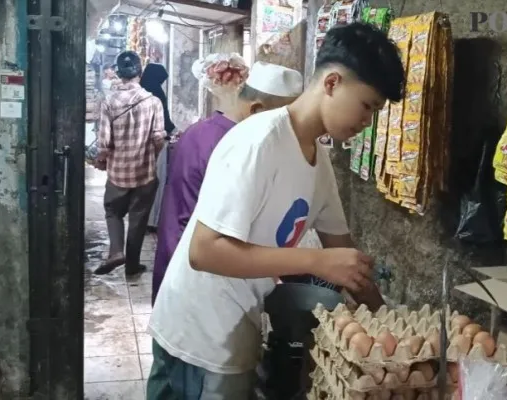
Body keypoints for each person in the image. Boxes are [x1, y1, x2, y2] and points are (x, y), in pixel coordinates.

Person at [148, 22, 405, 399]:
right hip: (199, 334)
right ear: (332, 83)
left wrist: (393, 328)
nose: (367, 122)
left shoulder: (319, 165)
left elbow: (348, 262)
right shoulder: (259, 141)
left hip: (234, 324)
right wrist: (317, 262)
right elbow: (204, 251)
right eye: (367, 106)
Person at [150, 61, 303, 306]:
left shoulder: (197, 131)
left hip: (173, 252)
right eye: (285, 123)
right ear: (256, 110)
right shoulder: (239, 146)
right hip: (201, 275)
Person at [93, 51, 166, 276]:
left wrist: (101, 160)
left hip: (118, 174)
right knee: (138, 219)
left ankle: (116, 251)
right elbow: (158, 138)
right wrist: (148, 156)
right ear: (140, 73)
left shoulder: (108, 101)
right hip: (145, 174)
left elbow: (104, 143)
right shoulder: (153, 101)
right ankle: (132, 265)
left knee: (113, 211)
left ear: (118, 73)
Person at [140, 63, 176, 234]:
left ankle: (140, 219)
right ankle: (153, 220)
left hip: (139, 144)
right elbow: (164, 120)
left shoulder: (139, 91)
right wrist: (174, 131)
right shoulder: (157, 93)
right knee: (156, 180)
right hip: (156, 143)